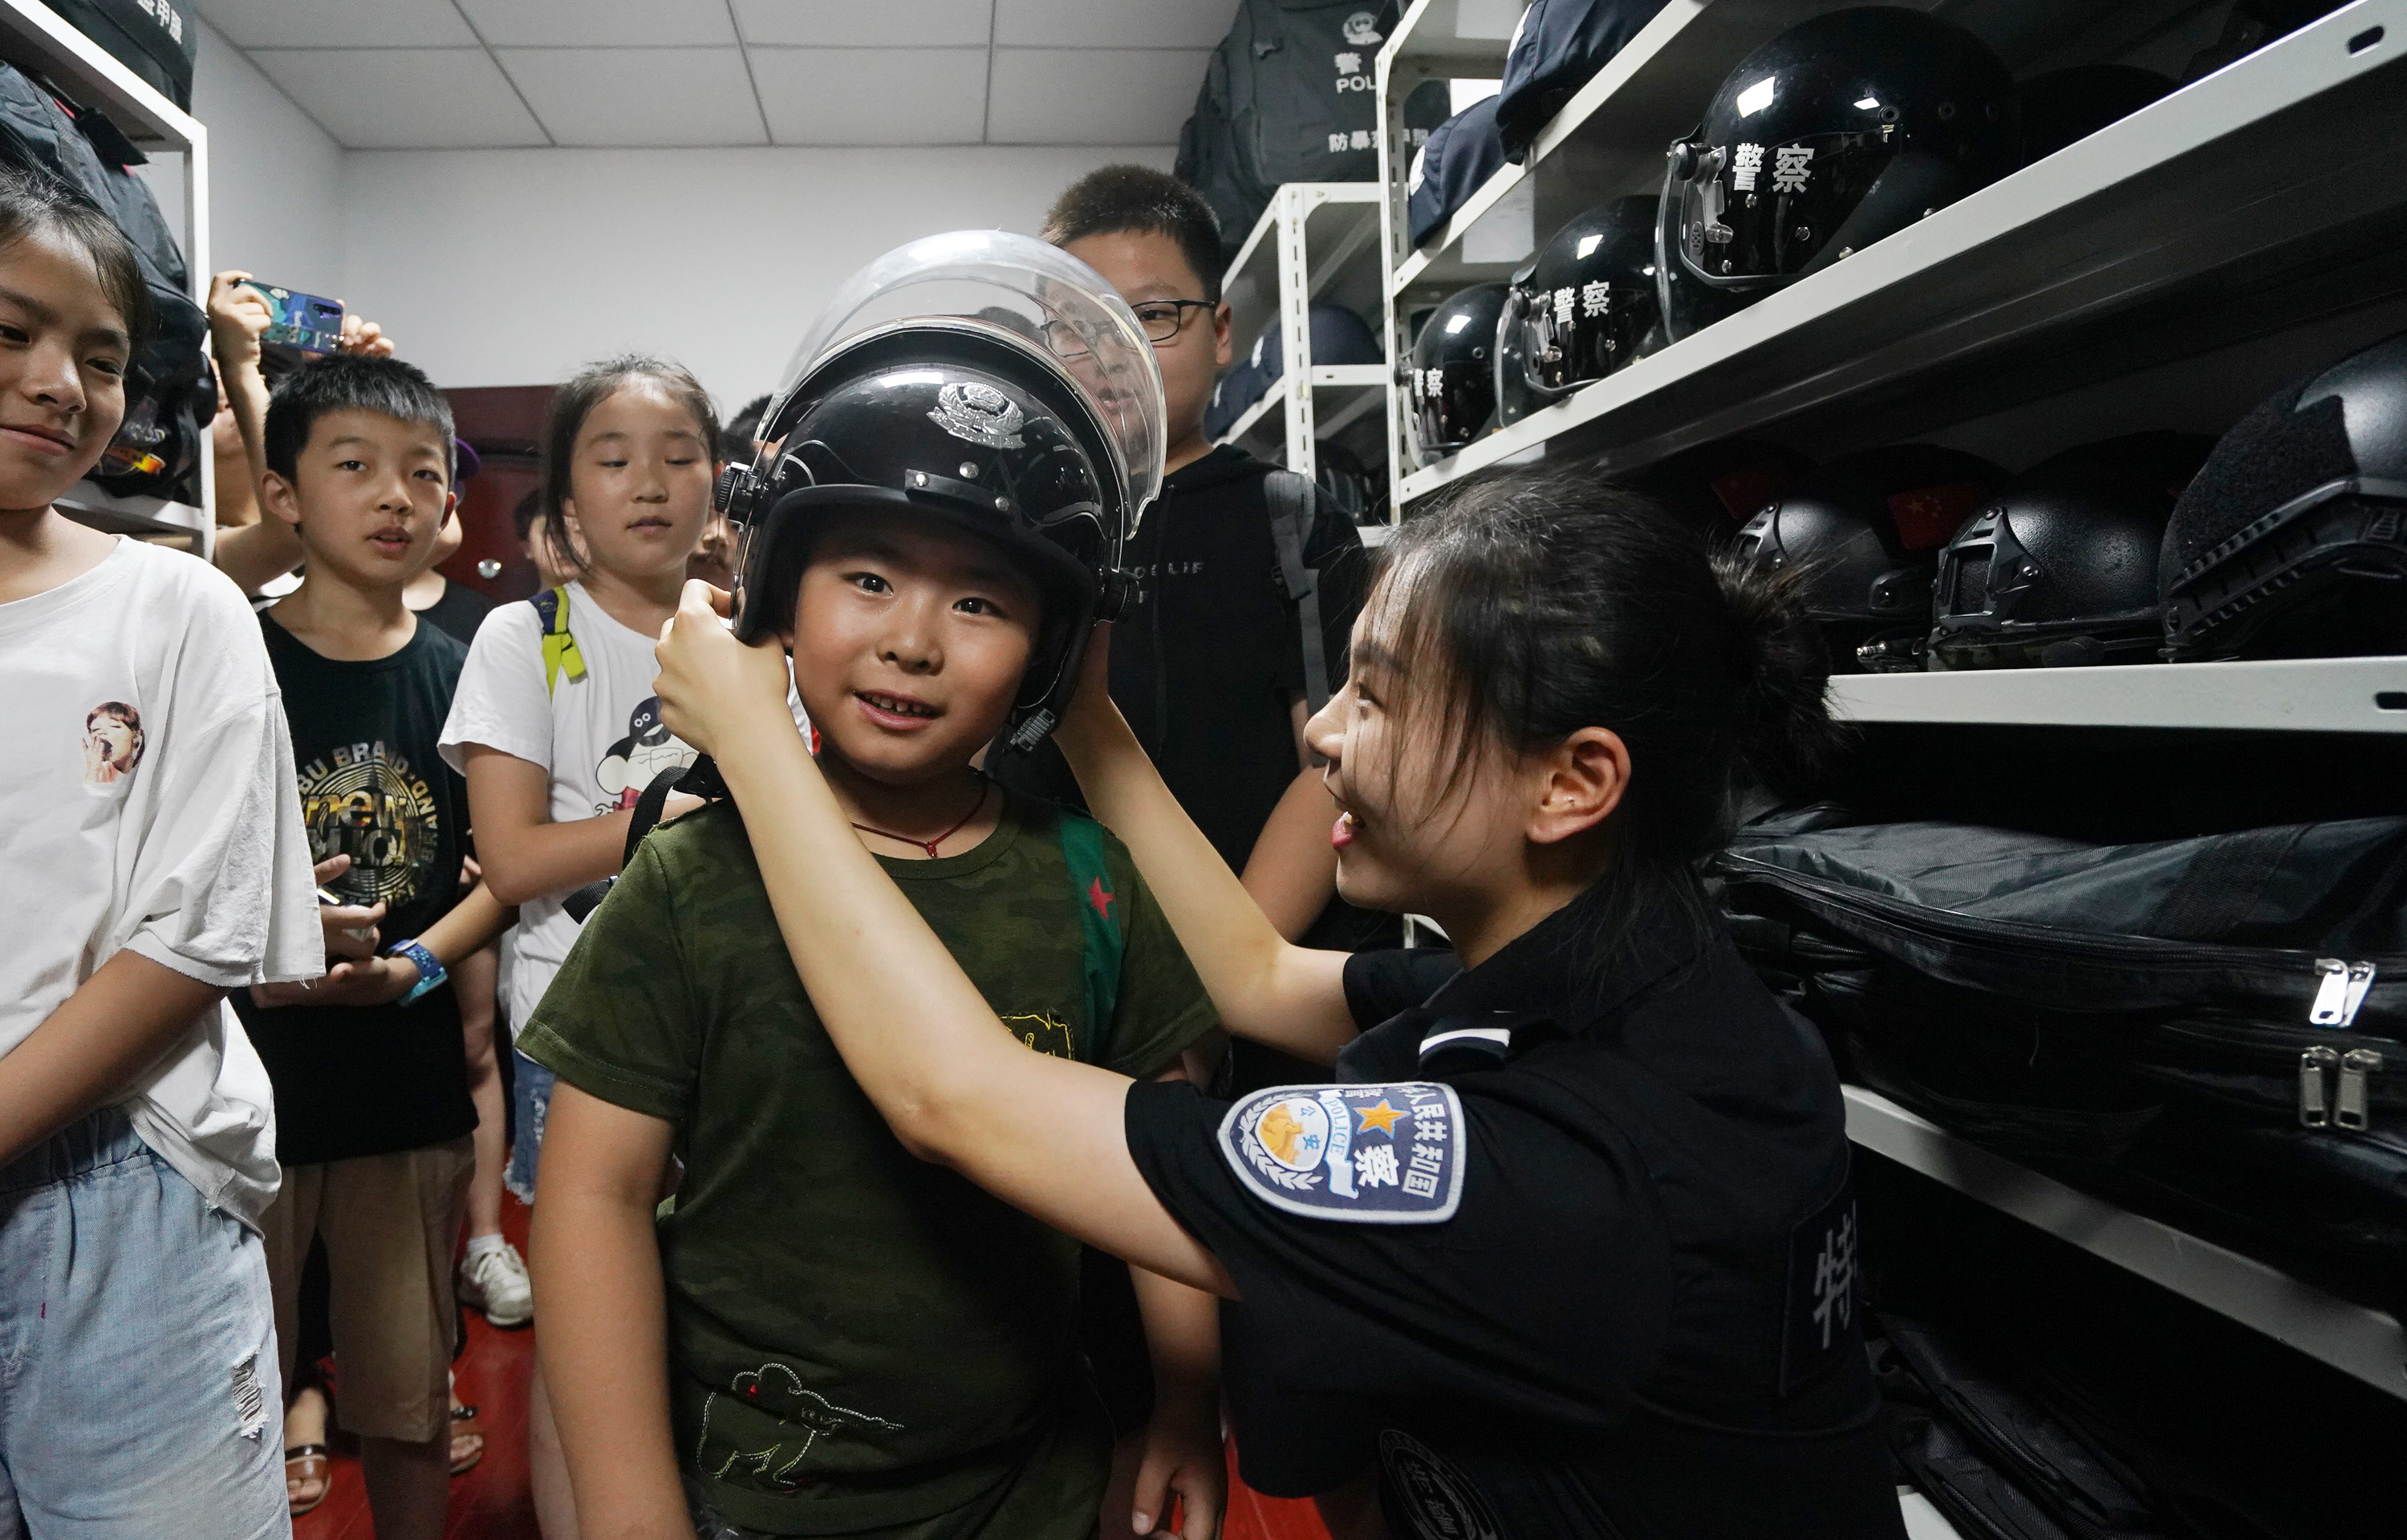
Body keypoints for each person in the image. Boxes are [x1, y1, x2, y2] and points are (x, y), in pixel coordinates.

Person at [655, 464, 1911, 1540]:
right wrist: (1088, 718)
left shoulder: (1568, 1168)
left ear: (1573, 784)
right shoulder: (1631, 980)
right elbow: (1252, 976)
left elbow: (959, 1100)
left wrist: (758, 748)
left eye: (1380, 695)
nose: (1324, 736)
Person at [526, 283, 1226, 1540]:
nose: (913, 641)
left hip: (1031, 1483)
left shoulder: (1089, 877)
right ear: (778, 602)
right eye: (866, 576)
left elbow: (1163, 1160)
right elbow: (593, 1198)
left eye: (980, 602)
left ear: (1050, 653)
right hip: (748, 1496)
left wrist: (1182, 1402)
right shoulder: (693, 877)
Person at [0, 166, 321, 1539]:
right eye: (13, 331)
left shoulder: (175, 607)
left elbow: (195, 934)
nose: (61, 383)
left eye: (103, 357)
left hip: (117, 1165)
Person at [438, 353, 724, 1539]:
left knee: (712, 1316)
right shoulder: (525, 635)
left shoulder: (755, 639)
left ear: (721, 481)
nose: (650, 484)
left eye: (678, 457)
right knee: (585, 1344)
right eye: (613, 460)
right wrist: (683, 815)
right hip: (581, 1036)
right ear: (563, 506)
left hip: (738, 1022)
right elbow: (512, 861)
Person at [231, 353, 512, 1540]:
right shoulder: (228, 657)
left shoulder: (468, 680)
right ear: (284, 495)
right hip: (248, 1097)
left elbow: (506, 873)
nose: (398, 497)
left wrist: (421, 964)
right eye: (355, 468)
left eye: (423, 474)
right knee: (233, 1398)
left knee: (408, 1401)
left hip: (405, 1098)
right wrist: (267, 944)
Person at [992, 166, 1377, 962]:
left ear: (1222, 329)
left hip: (1260, 967)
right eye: (1081, 325)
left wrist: (1227, 973)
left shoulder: (1289, 517)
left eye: (1154, 315)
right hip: (1056, 965)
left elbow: (1331, 764)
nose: (1118, 351)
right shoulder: (1009, 524)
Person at [205, 266, 401, 596]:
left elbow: (444, 533)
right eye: (209, 376)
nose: (222, 388)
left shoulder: (334, 522)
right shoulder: (185, 535)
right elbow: (285, 534)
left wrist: (348, 389)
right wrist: (238, 366)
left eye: (226, 371)